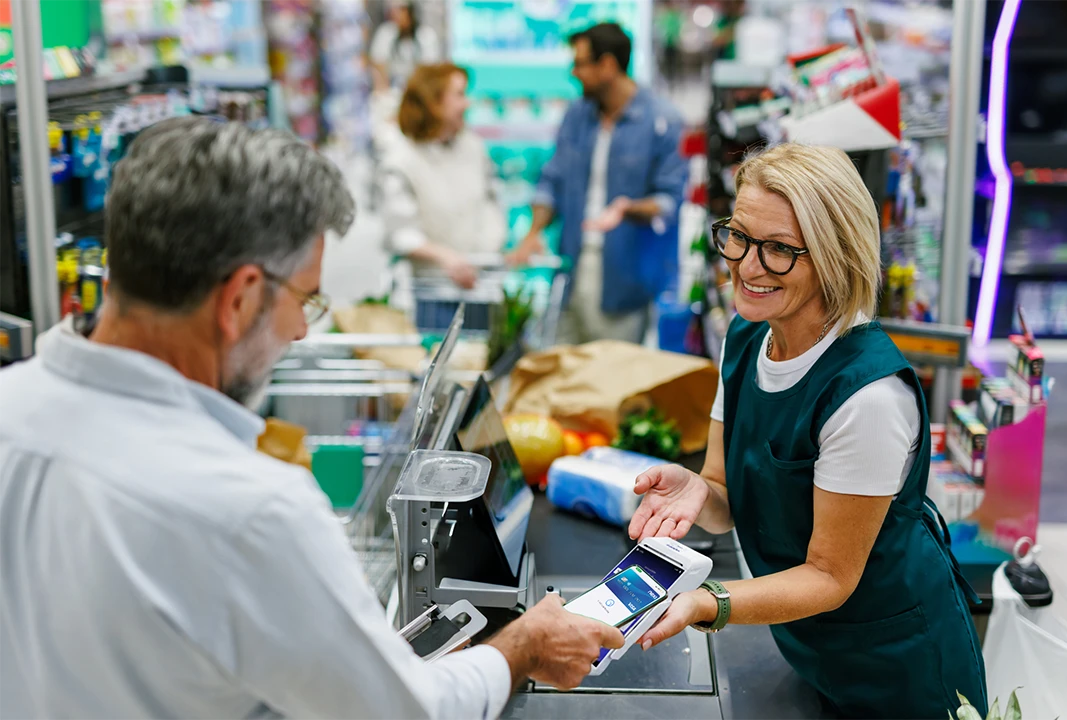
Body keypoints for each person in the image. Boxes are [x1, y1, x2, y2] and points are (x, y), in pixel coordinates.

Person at [0, 117, 624, 719]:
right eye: (306, 300)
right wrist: (524, 645)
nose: (301, 330)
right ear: (240, 298)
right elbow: (405, 711)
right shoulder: (249, 511)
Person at [627, 144, 988, 719]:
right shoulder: (747, 341)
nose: (747, 266)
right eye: (739, 237)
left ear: (835, 257)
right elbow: (726, 495)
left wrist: (706, 603)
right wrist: (698, 491)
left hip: (897, 669)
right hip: (809, 647)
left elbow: (829, 576)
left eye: (778, 250)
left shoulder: (866, 394)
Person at [507, 22, 687, 345]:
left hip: (624, 280)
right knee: (563, 375)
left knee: (611, 384)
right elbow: (552, 179)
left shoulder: (662, 120)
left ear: (607, 66)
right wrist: (534, 232)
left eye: (580, 63)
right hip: (570, 272)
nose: (573, 72)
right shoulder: (577, 115)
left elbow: (670, 199)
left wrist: (627, 209)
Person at [381, 63, 507, 291]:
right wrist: (445, 257)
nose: (467, 104)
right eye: (459, 95)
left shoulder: (473, 147)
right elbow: (400, 232)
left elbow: (490, 204)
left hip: (481, 284)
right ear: (433, 102)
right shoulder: (402, 159)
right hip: (429, 288)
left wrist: (487, 252)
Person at [369, 0, 440, 92]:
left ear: (411, 12)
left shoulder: (426, 35)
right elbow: (378, 64)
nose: (396, 14)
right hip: (391, 89)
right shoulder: (386, 33)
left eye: (401, 10)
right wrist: (383, 91)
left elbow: (429, 68)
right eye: (393, 10)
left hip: (418, 89)